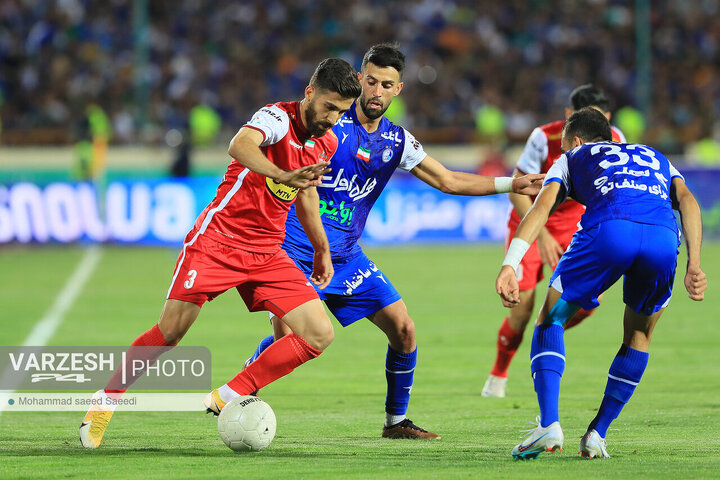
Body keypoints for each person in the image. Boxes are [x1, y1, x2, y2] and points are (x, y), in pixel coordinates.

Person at [239, 44, 545, 439]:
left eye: (386, 84)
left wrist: (512, 183)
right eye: (370, 81)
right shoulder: (327, 122)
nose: (376, 92)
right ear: (360, 79)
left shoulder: (397, 141)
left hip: (347, 257)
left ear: (398, 89)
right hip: (296, 252)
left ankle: (395, 422)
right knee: (291, 342)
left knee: (404, 329)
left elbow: (448, 180)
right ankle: (236, 393)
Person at [79, 58, 362, 449]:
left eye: (342, 112)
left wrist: (321, 249)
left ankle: (227, 395)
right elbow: (239, 145)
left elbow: (307, 193)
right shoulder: (276, 119)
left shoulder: (326, 141)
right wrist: (281, 175)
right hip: (218, 242)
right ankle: (104, 401)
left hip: (266, 251)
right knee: (171, 332)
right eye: (329, 106)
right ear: (309, 93)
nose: (333, 118)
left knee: (318, 333)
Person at [495, 107, 706, 460]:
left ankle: (549, 425)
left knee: (550, 318)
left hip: (610, 230)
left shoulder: (573, 157)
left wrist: (510, 263)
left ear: (575, 140)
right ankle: (597, 434)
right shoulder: (654, 156)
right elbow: (687, 200)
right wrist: (695, 264)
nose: (562, 153)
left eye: (563, 147)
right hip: (663, 239)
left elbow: (540, 208)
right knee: (639, 336)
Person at [482, 85, 627, 398]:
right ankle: (498, 374)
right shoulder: (543, 138)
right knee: (520, 307)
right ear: (569, 118)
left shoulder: (617, 140)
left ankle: (545, 333)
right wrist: (543, 235)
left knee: (587, 304)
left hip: (575, 223)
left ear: (608, 119)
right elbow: (517, 190)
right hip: (533, 218)